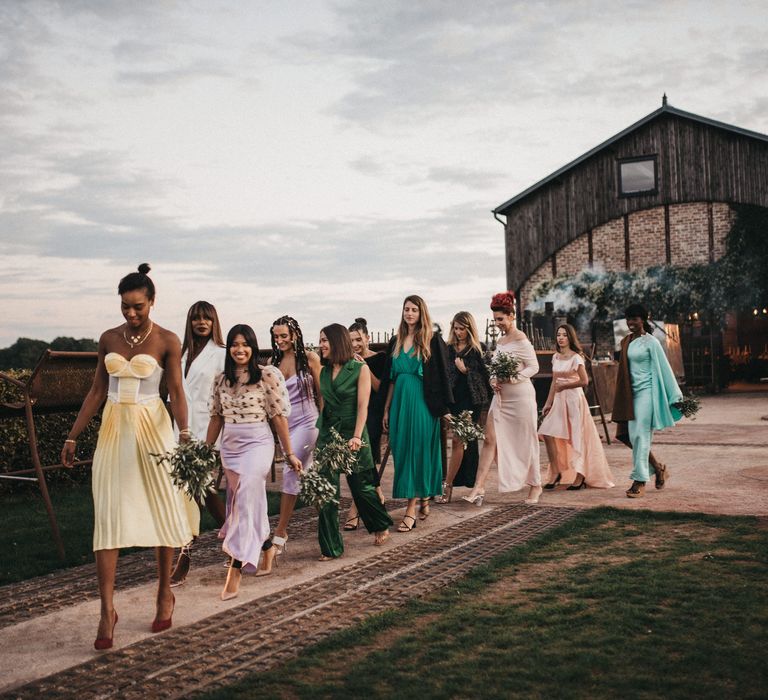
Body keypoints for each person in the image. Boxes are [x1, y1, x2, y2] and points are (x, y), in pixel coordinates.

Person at [60, 263, 199, 650]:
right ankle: (107, 611)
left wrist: (184, 434)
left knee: (161, 510)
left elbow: (176, 392)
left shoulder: (168, 340)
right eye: (125, 306)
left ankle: (163, 593)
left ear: (152, 301)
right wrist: (73, 436)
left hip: (155, 429)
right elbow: (95, 392)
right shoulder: (108, 338)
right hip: (113, 432)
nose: (131, 313)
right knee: (108, 516)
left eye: (138, 306)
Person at [206, 325, 302, 600]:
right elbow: (216, 418)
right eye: (235, 344)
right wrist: (204, 451)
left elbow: (278, 417)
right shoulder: (221, 380)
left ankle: (235, 567)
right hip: (230, 449)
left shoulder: (267, 376)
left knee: (247, 494)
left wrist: (290, 452)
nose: (240, 349)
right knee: (247, 502)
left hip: (258, 444)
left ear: (253, 347)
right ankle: (267, 546)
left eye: (245, 344)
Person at [316, 324, 392, 558]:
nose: (321, 345)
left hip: (353, 432)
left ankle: (379, 524)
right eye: (320, 341)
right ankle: (331, 547)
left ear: (337, 341)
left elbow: (362, 406)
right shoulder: (324, 371)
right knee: (326, 492)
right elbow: (324, 404)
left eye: (325, 341)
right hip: (329, 434)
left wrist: (357, 436)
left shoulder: (359, 368)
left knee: (362, 489)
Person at [463, 291, 542, 506]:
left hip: (521, 397)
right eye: (495, 319)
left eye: (501, 319)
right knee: (489, 439)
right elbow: (494, 369)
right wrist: (492, 380)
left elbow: (534, 367)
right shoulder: (501, 341)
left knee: (527, 440)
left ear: (511, 316)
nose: (498, 323)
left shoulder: (522, 339)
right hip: (501, 398)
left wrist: (513, 377)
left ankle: (536, 485)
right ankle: (479, 487)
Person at [384, 295, 453, 531]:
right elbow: (391, 380)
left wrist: (444, 408)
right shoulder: (395, 341)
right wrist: (386, 408)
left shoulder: (432, 340)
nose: (409, 313)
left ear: (421, 312)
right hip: (400, 404)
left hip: (423, 403)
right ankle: (423, 496)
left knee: (419, 451)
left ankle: (410, 509)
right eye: (406, 309)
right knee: (403, 453)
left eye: (414, 309)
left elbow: (444, 375)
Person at [170, 301, 227, 586]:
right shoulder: (180, 354)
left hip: (207, 432)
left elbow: (225, 400)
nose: (201, 322)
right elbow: (173, 396)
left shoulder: (221, 354)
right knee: (195, 492)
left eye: (207, 318)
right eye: (196, 318)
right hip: (178, 433)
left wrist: (214, 439)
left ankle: (185, 554)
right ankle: (234, 538)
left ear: (214, 321)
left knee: (198, 491)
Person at [611, 304, 683, 498]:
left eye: (634, 319)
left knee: (640, 435)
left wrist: (676, 395)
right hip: (630, 395)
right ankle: (658, 469)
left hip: (647, 394)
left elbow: (665, 369)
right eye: (628, 319)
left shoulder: (651, 342)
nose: (630, 322)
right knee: (631, 436)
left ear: (643, 320)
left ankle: (640, 480)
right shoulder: (626, 341)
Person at [538, 324, 614, 490]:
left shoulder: (576, 358)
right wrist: (548, 402)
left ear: (570, 337)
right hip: (558, 399)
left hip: (573, 399)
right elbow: (554, 381)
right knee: (546, 432)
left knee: (577, 436)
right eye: (558, 335)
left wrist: (564, 387)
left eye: (564, 335)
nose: (561, 338)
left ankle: (580, 476)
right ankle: (556, 471)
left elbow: (584, 381)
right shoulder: (556, 357)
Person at [270, 316, 322, 555]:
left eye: (283, 335)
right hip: (285, 426)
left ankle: (280, 532)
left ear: (294, 335)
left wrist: (324, 423)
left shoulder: (309, 358)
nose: (279, 340)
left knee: (291, 471)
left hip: (308, 421)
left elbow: (321, 394)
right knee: (308, 475)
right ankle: (328, 517)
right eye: (276, 336)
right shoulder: (273, 363)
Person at [437, 311, 491, 503]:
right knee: (463, 443)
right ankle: (475, 487)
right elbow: (443, 376)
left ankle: (449, 486)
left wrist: (465, 371)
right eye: (455, 328)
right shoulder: (448, 349)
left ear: (469, 329)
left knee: (460, 442)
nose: (458, 332)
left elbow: (484, 379)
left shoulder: (477, 350)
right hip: (453, 401)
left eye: (461, 328)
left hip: (471, 402)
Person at [343, 317, 388, 530]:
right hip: (353, 414)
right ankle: (377, 494)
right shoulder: (346, 361)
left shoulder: (380, 358)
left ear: (367, 338)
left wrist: (364, 367)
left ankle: (355, 508)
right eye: (351, 340)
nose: (355, 344)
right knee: (357, 462)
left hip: (373, 413)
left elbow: (380, 388)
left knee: (364, 462)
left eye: (358, 339)